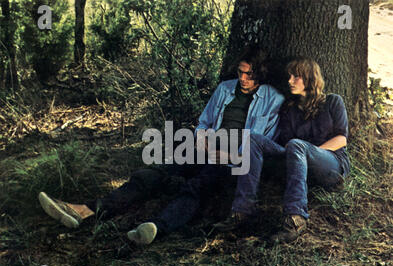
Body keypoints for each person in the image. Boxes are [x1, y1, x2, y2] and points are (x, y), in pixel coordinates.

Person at [38, 47, 285, 245]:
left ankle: (156, 227)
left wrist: (227, 155)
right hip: (203, 149)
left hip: (232, 162)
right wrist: (203, 144)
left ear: (261, 74)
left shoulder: (274, 100)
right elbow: (203, 123)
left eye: (249, 74)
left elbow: (259, 144)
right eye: (240, 72)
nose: (242, 78)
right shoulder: (224, 89)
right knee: (153, 173)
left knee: (195, 187)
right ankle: (85, 210)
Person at [255, 57, 350, 243]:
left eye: (296, 76)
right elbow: (286, 143)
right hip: (297, 161)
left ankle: (295, 218)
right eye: (289, 76)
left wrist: (309, 153)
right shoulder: (290, 109)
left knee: (297, 145)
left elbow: (341, 139)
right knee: (255, 139)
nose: (290, 81)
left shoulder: (333, 101)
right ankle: (243, 209)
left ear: (310, 78)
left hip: (331, 165)